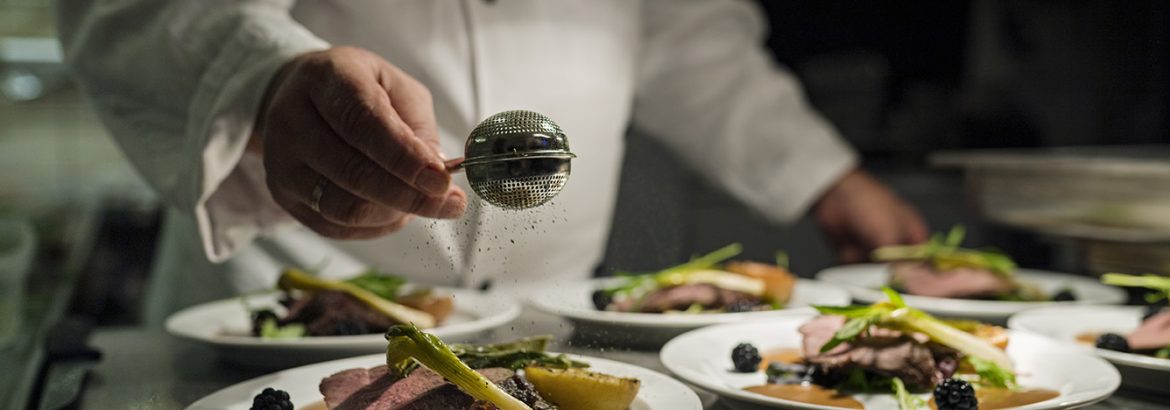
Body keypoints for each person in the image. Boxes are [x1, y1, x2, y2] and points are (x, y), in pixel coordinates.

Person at [57, 0, 927, 324]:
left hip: (540, 311)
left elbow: (687, 33)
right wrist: (262, 77)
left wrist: (823, 173)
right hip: (289, 282)